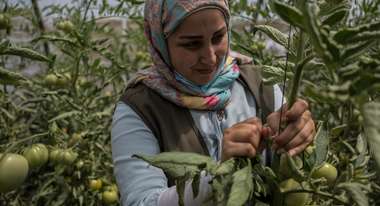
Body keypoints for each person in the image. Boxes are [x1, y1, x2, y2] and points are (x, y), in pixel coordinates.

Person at [111, 0, 316, 205]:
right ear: (161, 41)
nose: (209, 58)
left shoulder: (260, 83)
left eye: (218, 37)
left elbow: (294, 176)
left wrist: (298, 138)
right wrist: (217, 175)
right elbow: (141, 201)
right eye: (192, 44)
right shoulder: (139, 108)